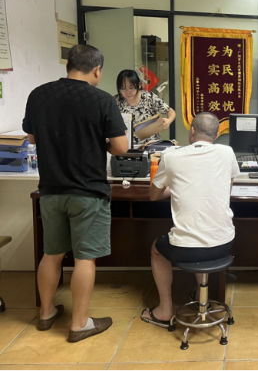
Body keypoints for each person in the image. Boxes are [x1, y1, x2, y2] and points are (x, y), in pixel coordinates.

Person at [22, 45, 129, 342]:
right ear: (97, 69)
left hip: (50, 189)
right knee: (84, 258)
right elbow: (121, 148)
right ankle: (80, 323)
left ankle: (46, 313)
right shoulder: (102, 99)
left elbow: (31, 137)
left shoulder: (39, 94)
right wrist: (97, 141)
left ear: (69, 65)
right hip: (88, 191)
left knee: (52, 254)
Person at [142, 112, 240, 327]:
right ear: (216, 135)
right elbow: (226, 189)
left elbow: (154, 196)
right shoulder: (228, 152)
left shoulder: (171, 156)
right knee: (202, 234)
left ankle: (164, 310)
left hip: (187, 249)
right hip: (224, 244)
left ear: (192, 131)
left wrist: (174, 187)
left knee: (157, 249)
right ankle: (200, 297)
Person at [115, 69, 176, 144]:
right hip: (126, 146)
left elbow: (170, 111)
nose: (127, 92)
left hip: (151, 145)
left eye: (131, 88)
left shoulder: (149, 97)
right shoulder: (116, 101)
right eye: (123, 88)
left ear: (139, 85)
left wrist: (168, 121)